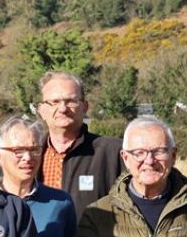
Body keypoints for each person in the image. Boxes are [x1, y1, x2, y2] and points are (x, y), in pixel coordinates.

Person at [30, 71, 124, 219]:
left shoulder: (114, 152)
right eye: (54, 102)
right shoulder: (27, 156)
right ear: (41, 110)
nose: (62, 108)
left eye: (71, 101)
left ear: (85, 107)